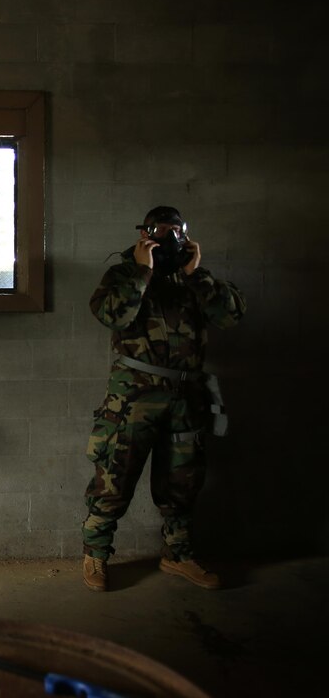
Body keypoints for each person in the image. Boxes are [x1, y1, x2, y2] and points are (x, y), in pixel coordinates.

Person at [80, 206, 245, 592]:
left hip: (186, 396)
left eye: (176, 232)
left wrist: (195, 273)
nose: (169, 239)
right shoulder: (123, 273)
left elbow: (230, 316)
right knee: (114, 478)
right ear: (144, 234)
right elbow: (112, 315)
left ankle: (178, 555)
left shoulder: (194, 280)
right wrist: (142, 269)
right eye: (160, 231)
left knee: (182, 482)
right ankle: (96, 555)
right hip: (133, 396)